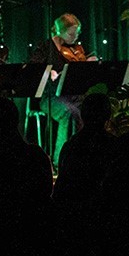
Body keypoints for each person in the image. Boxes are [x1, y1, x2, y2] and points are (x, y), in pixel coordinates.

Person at [27, 13, 95, 164]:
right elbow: (32, 68)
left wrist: (90, 63)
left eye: (77, 33)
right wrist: (47, 71)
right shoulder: (46, 47)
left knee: (94, 109)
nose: (75, 37)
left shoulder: (76, 47)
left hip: (75, 95)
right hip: (51, 97)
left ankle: (87, 157)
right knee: (69, 113)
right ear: (59, 31)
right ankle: (62, 160)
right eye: (71, 34)